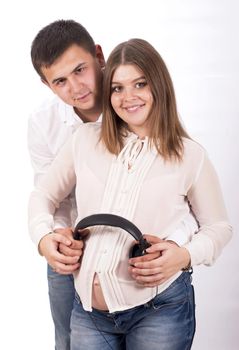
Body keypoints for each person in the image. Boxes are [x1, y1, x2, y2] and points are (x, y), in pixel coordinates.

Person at [28, 21, 198, 349]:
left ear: (99, 56)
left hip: (136, 259)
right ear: (46, 84)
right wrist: (51, 238)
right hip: (75, 255)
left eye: (81, 70)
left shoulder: (137, 106)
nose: (76, 88)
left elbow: (182, 194)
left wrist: (174, 248)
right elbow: (49, 195)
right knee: (66, 339)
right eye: (60, 81)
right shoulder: (42, 123)